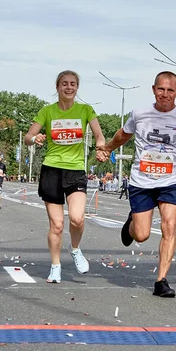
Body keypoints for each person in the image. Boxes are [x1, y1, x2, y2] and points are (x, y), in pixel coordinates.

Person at [98, 71, 176, 298]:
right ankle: (131, 223)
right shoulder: (139, 115)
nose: (165, 94)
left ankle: (161, 281)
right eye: (161, 89)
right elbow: (122, 135)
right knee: (141, 235)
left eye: (170, 90)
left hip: (171, 182)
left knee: (169, 225)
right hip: (142, 182)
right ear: (153, 89)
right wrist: (108, 148)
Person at [25, 70, 106, 284]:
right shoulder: (47, 111)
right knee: (57, 225)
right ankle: (55, 266)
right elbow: (27, 137)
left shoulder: (86, 110)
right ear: (57, 87)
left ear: (77, 88)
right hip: (51, 169)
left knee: (78, 218)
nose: (69, 87)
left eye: (73, 84)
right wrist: (36, 138)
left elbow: (99, 135)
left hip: (75, 170)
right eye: (64, 84)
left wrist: (100, 147)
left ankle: (75, 248)